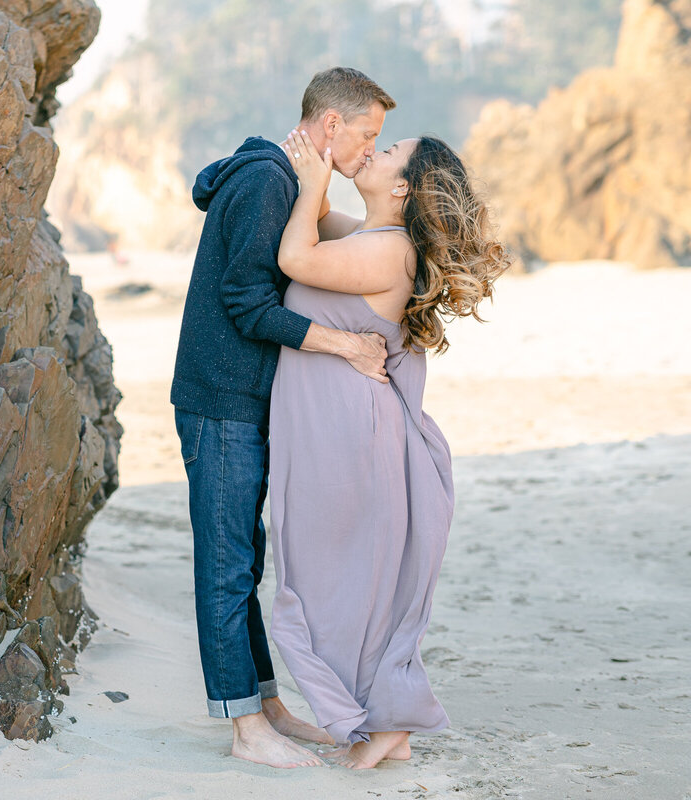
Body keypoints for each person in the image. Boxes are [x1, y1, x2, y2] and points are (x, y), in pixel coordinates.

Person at [170, 67, 396, 769]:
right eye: (367, 135)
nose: (368, 150)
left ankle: (264, 705)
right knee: (227, 563)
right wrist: (347, 347)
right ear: (331, 126)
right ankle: (245, 729)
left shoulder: (289, 183)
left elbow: (340, 252)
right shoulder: (269, 183)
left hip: (241, 401)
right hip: (220, 401)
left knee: (246, 558)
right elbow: (247, 302)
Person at [269, 129, 510, 769]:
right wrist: (320, 163)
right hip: (329, 430)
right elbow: (318, 222)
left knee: (344, 582)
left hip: (349, 435)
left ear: (403, 186)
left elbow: (297, 257)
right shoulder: (373, 237)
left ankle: (386, 722)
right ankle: (387, 723)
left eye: (388, 150)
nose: (374, 153)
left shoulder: (392, 251)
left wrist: (315, 184)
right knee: (335, 579)